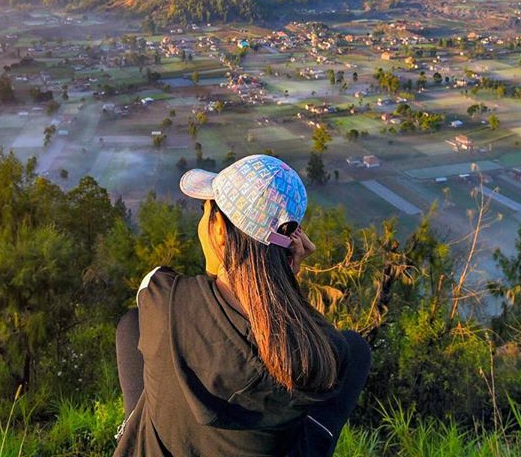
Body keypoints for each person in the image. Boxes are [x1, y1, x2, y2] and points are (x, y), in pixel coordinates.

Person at [113, 154, 371, 457]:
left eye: (204, 210)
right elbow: (277, 326)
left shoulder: (164, 298)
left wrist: (224, 269)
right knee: (356, 349)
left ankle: (130, 429)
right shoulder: (323, 352)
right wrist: (285, 278)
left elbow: (200, 303)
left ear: (220, 229)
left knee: (133, 323)